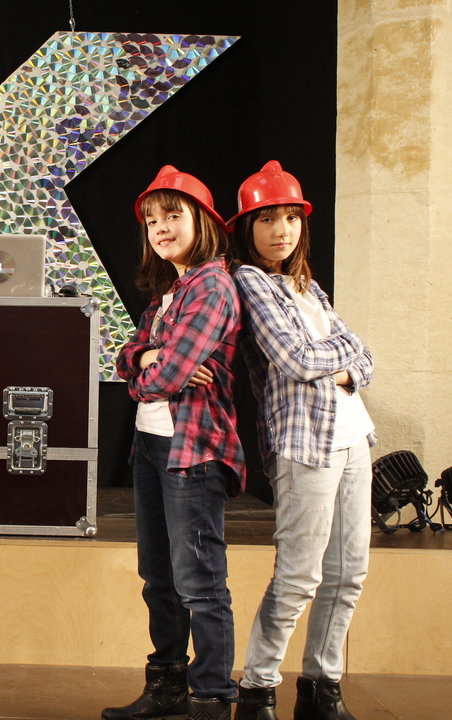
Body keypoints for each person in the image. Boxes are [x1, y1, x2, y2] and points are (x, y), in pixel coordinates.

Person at [229, 162, 375, 720]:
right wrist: (345, 359)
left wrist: (343, 363)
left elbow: (366, 359)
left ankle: (321, 687)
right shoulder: (250, 281)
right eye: (268, 219)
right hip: (304, 443)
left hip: (354, 436)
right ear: (248, 227)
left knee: (348, 573)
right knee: (299, 576)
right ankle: (258, 690)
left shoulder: (307, 286)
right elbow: (295, 359)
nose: (282, 230)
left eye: (291, 218)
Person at [107, 167, 245, 720]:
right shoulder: (169, 292)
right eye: (151, 220)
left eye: (172, 215)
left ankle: (211, 697)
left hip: (192, 450)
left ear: (202, 222)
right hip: (151, 445)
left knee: (200, 582)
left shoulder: (212, 286)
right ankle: (166, 686)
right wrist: (147, 357)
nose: (160, 228)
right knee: (158, 577)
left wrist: (150, 369)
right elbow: (128, 357)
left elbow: (162, 378)